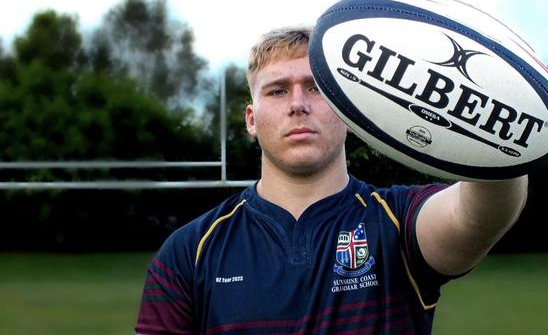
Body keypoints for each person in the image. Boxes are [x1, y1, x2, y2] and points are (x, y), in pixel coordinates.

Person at [134, 26, 528, 335]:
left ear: (348, 109)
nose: (297, 104)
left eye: (316, 87)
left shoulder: (397, 221)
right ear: (251, 120)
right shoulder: (189, 252)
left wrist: (501, 137)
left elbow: (479, 214)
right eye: (277, 90)